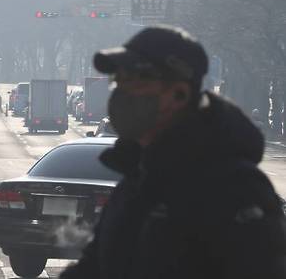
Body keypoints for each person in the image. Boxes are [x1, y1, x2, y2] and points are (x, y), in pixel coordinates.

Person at [61, 25, 286, 279]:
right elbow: (96, 267)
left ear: (179, 94)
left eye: (135, 81)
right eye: (119, 81)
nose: (121, 93)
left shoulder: (236, 188)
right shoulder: (136, 180)